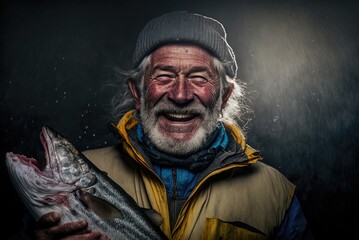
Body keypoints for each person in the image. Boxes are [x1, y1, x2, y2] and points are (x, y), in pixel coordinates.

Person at [15, 11, 313, 240]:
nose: (180, 95)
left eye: (199, 77)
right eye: (164, 75)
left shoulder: (275, 194)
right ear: (137, 91)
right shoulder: (86, 168)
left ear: (225, 95)